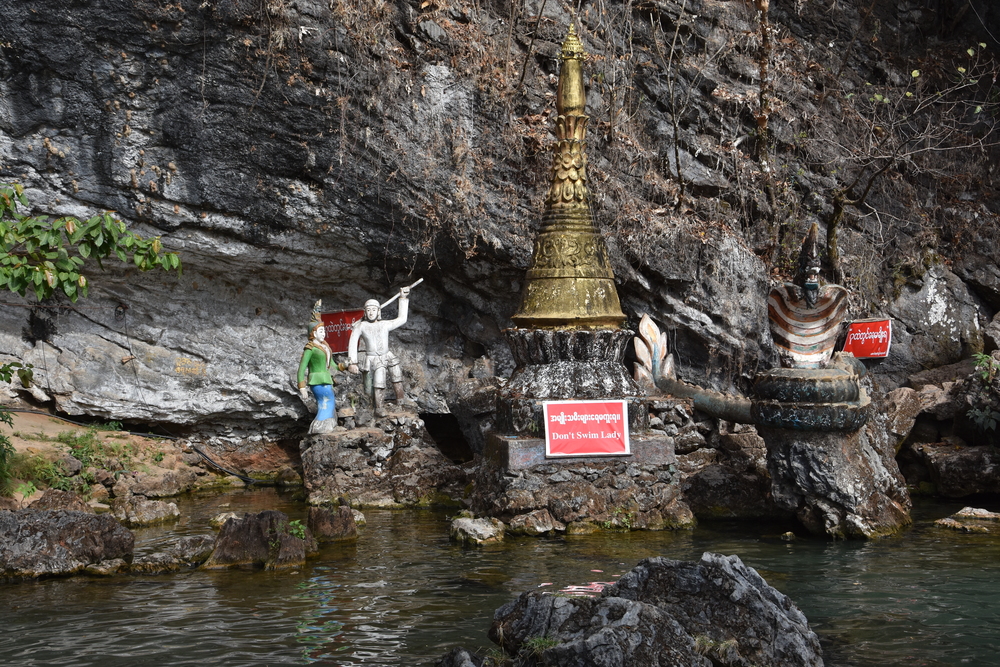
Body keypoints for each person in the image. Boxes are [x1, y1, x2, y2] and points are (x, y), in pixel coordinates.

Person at [347, 286, 410, 417]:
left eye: (374, 309)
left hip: (387, 355)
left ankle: (401, 401)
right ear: (365, 312)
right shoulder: (361, 326)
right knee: (379, 381)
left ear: (378, 311)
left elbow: (402, 319)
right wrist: (352, 362)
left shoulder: (384, 324)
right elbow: (352, 343)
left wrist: (403, 298)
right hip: (373, 358)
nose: (371, 312)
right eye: (368, 310)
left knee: (397, 376)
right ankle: (379, 407)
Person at [298, 302, 344, 431]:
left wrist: (344, 366)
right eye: (321, 331)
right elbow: (302, 368)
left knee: (329, 401)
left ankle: (328, 425)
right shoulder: (310, 348)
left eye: (324, 330)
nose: (324, 333)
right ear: (314, 332)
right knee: (325, 401)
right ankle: (320, 427)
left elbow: (332, 364)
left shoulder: (325, 346)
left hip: (327, 378)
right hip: (317, 380)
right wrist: (302, 386)